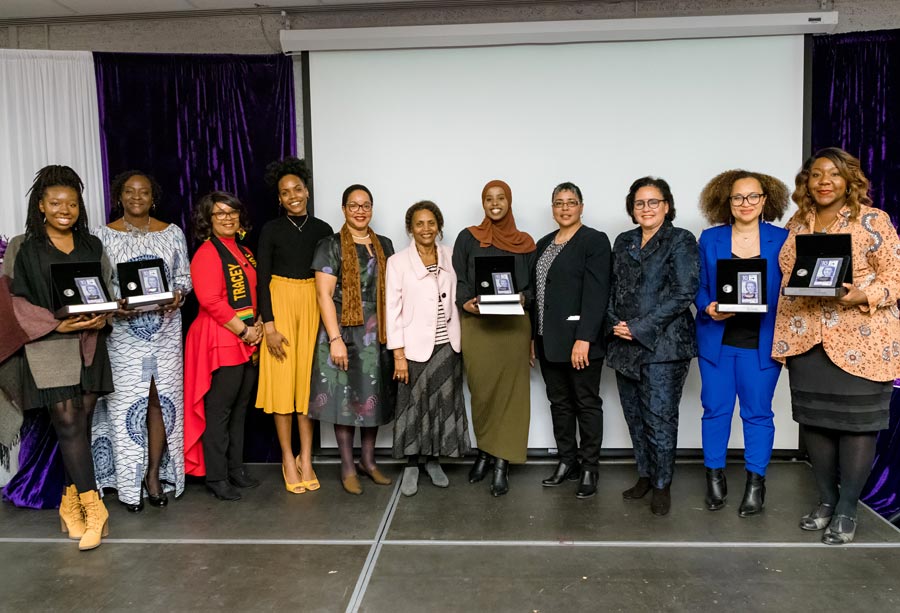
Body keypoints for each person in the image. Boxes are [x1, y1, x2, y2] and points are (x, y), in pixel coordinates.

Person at [773, 147, 900, 544]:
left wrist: (862, 295)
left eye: (833, 174)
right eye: (815, 174)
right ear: (806, 182)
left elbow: (895, 278)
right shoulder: (798, 222)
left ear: (849, 180)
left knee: (857, 426)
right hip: (807, 338)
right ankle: (827, 501)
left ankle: (846, 509)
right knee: (815, 423)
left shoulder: (873, 220)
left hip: (863, 342)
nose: (823, 181)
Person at [11, 165, 113, 550]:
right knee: (67, 423)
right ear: (41, 205)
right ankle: (95, 508)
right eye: (55, 203)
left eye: (71, 203)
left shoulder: (92, 244)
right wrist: (57, 325)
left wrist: (104, 315)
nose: (64, 210)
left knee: (80, 427)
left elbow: (106, 289)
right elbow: (14, 303)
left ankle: (70, 505)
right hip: (49, 345)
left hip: (90, 345)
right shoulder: (23, 246)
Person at [92, 170, 192, 512]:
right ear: (119, 196)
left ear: (153, 197)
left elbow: (184, 279)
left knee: (160, 402)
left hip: (165, 331)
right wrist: (112, 304)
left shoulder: (172, 233)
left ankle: (153, 476)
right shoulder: (102, 235)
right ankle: (127, 484)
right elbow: (97, 284)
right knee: (124, 405)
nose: (137, 197)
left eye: (144, 192)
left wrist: (177, 295)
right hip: (123, 335)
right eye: (130, 191)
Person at [695, 170, 789, 516]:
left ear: (765, 200)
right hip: (717, 341)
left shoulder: (783, 238)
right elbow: (699, 285)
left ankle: (755, 484)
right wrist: (708, 307)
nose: (745, 203)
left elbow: (791, 288)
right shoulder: (710, 238)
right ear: (727, 201)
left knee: (758, 413)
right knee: (715, 410)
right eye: (738, 197)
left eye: (753, 196)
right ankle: (714, 477)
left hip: (762, 343)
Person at [606, 176, 699, 516]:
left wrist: (640, 327)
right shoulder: (623, 241)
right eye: (640, 203)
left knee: (660, 420)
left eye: (653, 202)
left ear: (666, 206)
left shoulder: (680, 240)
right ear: (632, 208)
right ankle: (645, 475)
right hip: (623, 345)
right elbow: (611, 288)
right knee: (634, 416)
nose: (646, 208)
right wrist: (614, 322)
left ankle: (662, 484)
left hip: (665, 347)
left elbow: (684, 292)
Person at [309, 184, 395, 495]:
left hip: (377, 332)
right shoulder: (329, 245)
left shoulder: (384, 244)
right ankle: (347, 466)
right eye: (354, 205)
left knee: (373, 397)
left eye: (366, 205)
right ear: (344, 208)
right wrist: (335, 339)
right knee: (343, 401)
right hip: (343, 329)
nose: (360, 211)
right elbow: (324, 295)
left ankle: (368, 462)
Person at [254, 157, 333, 494]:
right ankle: (288, 458)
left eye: (297, 189)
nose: (293, 196)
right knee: (283, 387)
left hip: (312, 304)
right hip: (281, 304)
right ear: (280, 198)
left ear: (307, 191)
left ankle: (307, 458)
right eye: (285, 192)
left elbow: (329, 278)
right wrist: (269, 326)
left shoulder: (323, 230)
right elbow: (261, 279)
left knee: (306, 389)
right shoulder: (271, 229)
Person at [452, 179, 535, 496]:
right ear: (483, 203)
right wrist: (465, 302)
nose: (495, 203)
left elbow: (533, 289)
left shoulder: (525, 242)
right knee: (482, 393)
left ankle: (502, 462)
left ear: (509, 201)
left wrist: (523, 299)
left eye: (501, 198)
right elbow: (459, 279)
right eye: (489, 198)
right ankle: (485, 452)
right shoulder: (468, 237)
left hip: (513, 328)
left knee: (512, 396)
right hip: (478, 326)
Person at [531, 182, 611, 499]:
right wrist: (532, 337)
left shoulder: (594, 241)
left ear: (581, 206)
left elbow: (597, 293)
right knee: (560, 405)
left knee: (586, 404)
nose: (564, 208)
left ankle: (590, 467)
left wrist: (584, 338)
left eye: (571, 202)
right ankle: (568, 462)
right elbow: (538, 295)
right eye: (559, 203)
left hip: (580, 342)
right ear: (552, 208)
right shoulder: (543, 244)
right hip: (547, 340)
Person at [386, 201, 470, 497]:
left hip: (448, 344)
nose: (426, 229)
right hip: (413, 348)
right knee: (413, 405)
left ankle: (434, 460)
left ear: (439, 226)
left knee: (441, 403)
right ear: (410, 228)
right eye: (419, 224)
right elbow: (392, 310)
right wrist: (398, 354)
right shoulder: (397, 262)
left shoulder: (450, 255)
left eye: (431, 223)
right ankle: (411, 464)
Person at [183, 191, 262, 502]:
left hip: (245, 338)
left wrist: (257, 325)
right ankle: (216, 476)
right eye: (220, 213)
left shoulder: (244, 251)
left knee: (240, 410)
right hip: (220, 339)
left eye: (232, 212)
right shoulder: (207, 253)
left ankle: (235, 469)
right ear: (209, 219)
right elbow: (211, 301)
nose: (228, 218)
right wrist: (245, 331)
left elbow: (255, 291)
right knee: (219, 412)